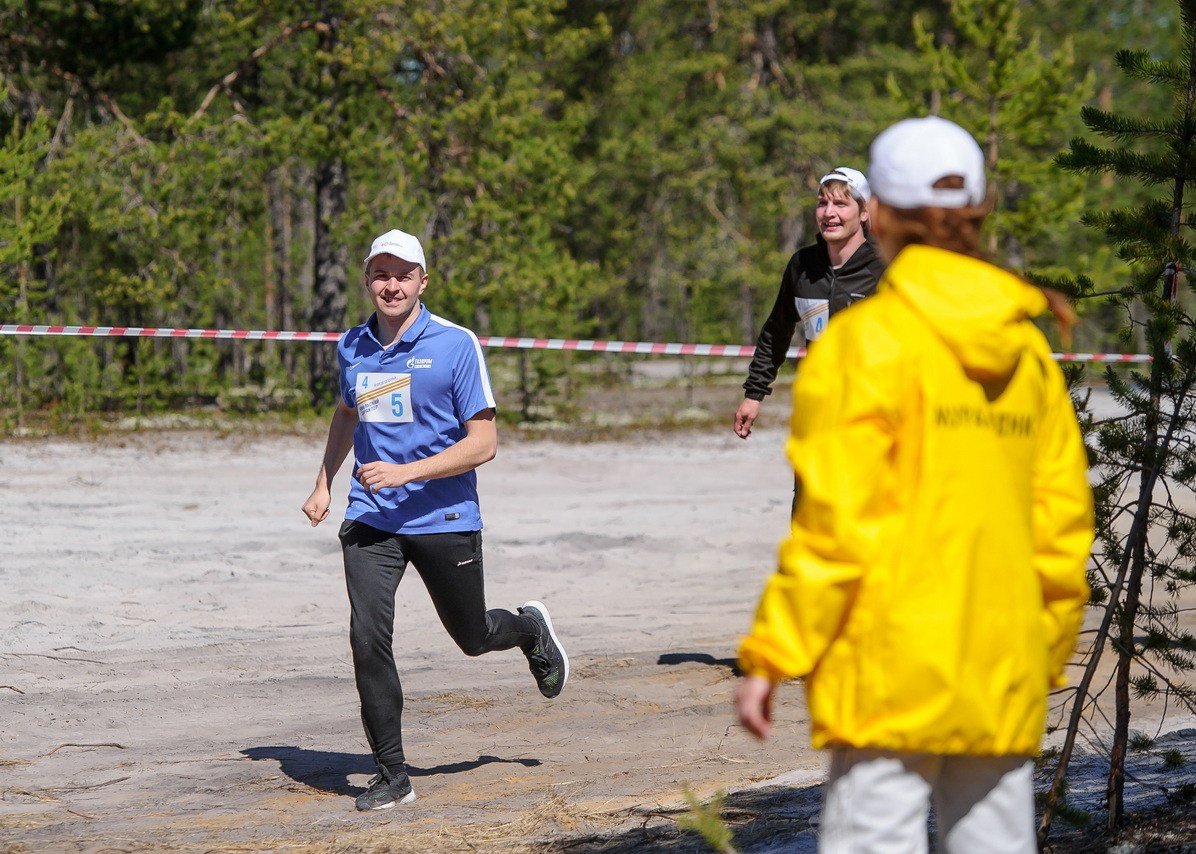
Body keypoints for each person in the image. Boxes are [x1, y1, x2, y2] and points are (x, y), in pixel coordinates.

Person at [733, 117, 1093, 852]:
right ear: (979, 212)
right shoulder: (1028, 346)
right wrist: (1042, 654)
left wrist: (775, 652)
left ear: (882, 216)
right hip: (1000, 668)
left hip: (885, 674)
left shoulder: (862, 348)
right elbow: (1060, 526)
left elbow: (834, 530)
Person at [301, 228, 569, 811]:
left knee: (472, 636)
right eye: (380, 273)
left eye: (403, 274)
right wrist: (324, 481)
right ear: (368, 279)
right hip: (372, 517)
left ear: (423, 280)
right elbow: (348, 414)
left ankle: (527, 628)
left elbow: (484, 444)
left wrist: (408, 472)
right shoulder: (354, 345)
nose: (390, 284)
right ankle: (392, 774)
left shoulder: (454, 344)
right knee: (367, 637)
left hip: (443, 513)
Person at [734, 166, 885, 439]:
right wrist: (753, 394)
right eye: (822, 203)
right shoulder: (802, 265)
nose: (829, 213)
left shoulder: (887, 268)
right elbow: (776, 332)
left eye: (841, 203)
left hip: (874, 418)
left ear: (864, 213)